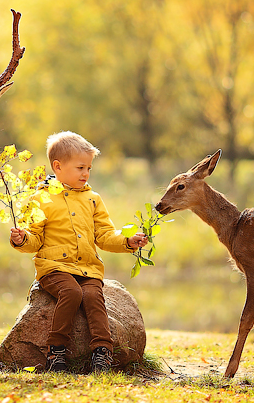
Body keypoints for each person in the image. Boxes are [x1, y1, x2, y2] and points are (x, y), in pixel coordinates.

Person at [9, 131, 149, 373]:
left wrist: (128, 241)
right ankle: (56, 352)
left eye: (89, 168)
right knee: (72, 293)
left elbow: (104, 235)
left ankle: (102, 353)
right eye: (80, 167)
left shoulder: (93, 200)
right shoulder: (41, 199)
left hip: (87, 268)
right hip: (53, 267)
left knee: (94, 297)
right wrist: (22, 239)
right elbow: (35, 239)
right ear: (58, 166)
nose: (85, 173)